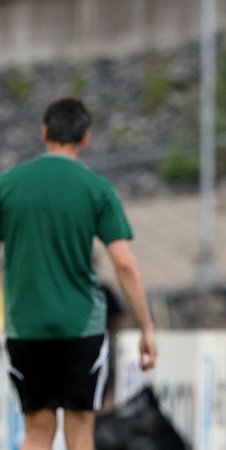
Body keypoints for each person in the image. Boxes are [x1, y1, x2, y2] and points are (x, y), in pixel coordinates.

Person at [0, 98, 157, 450]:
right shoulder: (96, 188)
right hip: (81, 327)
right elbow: (125, 264)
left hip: (26, 326)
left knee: (37, 433)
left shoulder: (7, 185)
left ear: (44, 133)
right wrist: (147, 327)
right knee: (81, 434)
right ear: (85, 138)